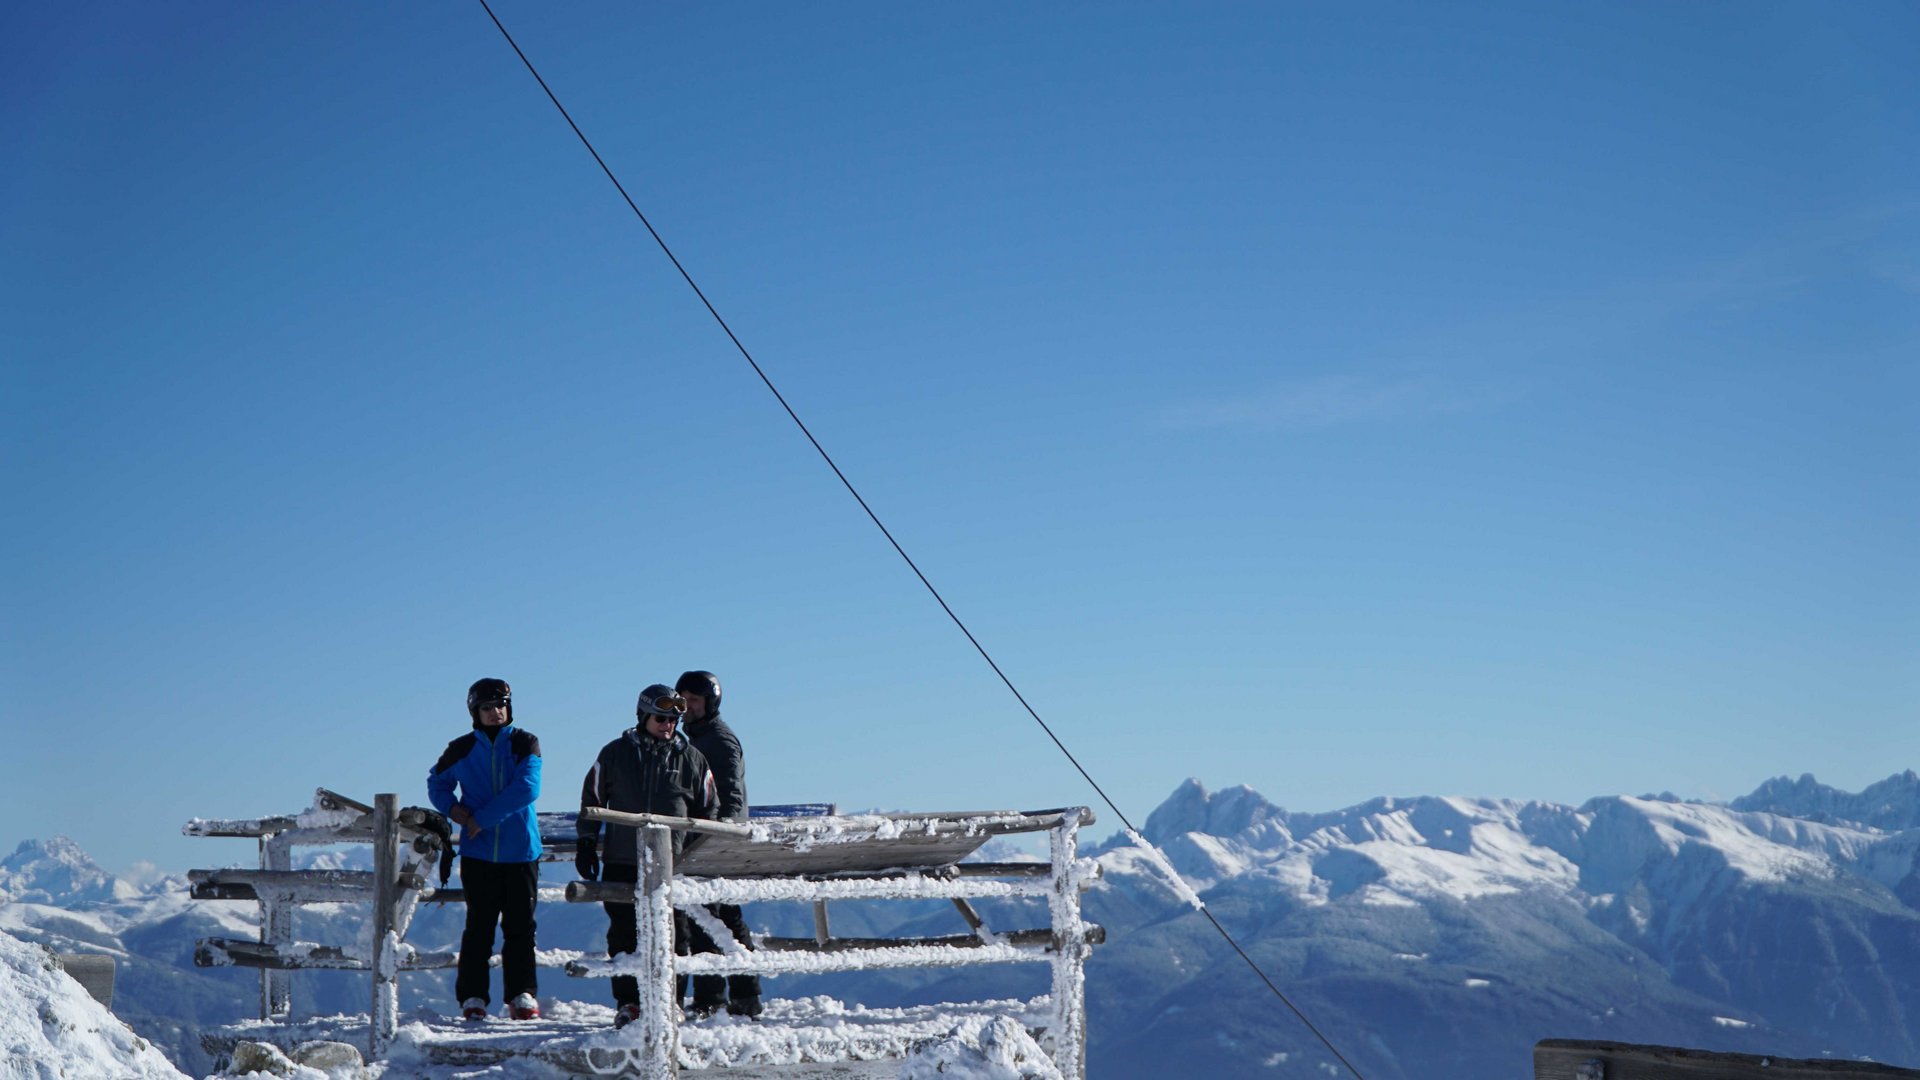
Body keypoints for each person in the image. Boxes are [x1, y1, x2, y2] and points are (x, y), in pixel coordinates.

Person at [576, 683, 718, 1028]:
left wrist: (699, 856)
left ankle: (671, 1002)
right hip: (623, 859)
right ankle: (629, 1004)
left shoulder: (692, 759)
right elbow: (592, 798)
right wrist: (586, 841)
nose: (667, 725)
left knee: (675, 935)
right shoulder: (614, 753)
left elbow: (709, 809)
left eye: (672, 720)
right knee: (624, 934)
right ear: (642, 716)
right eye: (660, 718)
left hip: (674, 863)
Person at [427, 677, 544, 1021]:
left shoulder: (526, 742)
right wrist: (453, 810)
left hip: (521, 850)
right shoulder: (461, 748)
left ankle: (521, 995)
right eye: (488, 707)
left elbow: (527, 788)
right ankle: (473, 998)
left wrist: (480, 819)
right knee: (478, 927)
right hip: (478, 855)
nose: (496, 712)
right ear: (475, 712)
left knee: (521, 927)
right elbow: (436, 782)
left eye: (501, 705)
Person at [675, 669, 762, 1019]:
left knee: (720, 921)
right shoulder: (694, 738)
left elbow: (730, 797)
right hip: (702, 842)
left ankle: (732, 996)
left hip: (715, 845)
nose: (687, 707)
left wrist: (720, 838)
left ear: (711, 703)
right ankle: (729, 996)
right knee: (711, 921)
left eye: (694, 701)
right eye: (682, 700)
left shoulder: (719, 740)